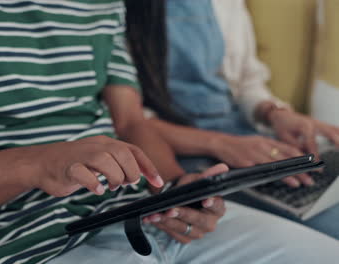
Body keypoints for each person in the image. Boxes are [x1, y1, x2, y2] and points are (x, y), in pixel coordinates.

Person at [0, 1, 339, 264]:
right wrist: (36, 162)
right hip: (23, 244)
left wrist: (176, 189)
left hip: (141, 214)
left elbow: (132, 123)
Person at [137, 0, 339, 239]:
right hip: (179, 150)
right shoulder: (116, 9)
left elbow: (247, 82)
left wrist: (274, 113)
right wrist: (223, 144)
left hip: (244, 135)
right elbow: (132, 122)